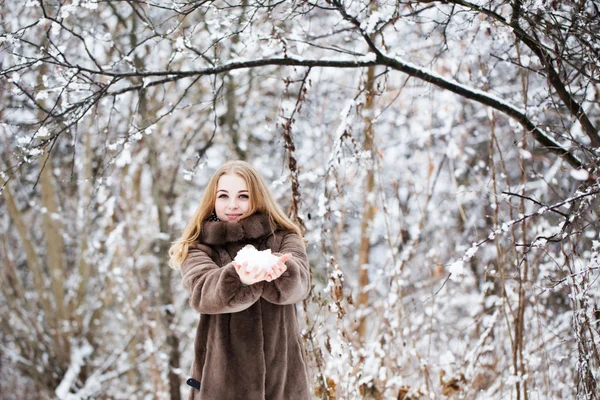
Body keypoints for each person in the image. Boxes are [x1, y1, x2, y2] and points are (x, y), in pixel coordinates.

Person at [168, 160, 312, 400]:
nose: (233, 205)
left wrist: (275, 268)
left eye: (243, 196)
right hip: (220, 385)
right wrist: (238, 278)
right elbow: (202, 292)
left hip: (283, 384)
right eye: (223, 196)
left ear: (257, 197)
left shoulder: (284, 237)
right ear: (212, 200)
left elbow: (300, 284)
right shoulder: (198, 247)